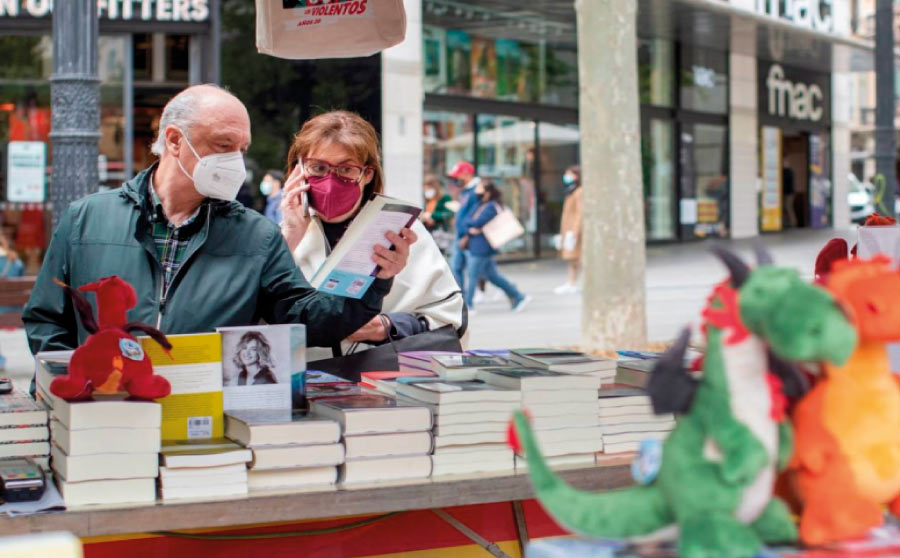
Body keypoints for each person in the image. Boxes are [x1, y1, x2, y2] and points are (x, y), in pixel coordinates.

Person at [23, 85, 416, 363]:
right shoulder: (87, 218)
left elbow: (310, 321)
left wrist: (374, 275)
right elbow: (47, 319)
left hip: (206, 415)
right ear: (175, 141)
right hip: (106, 414)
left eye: (241, 149)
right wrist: (74, 381)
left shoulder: (254, 234)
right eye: (223, 145)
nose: (235, 161)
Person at [280, 111, 465, 361]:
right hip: (305, 386)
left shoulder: (402, 232)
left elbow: (451, 319)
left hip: (385, 384)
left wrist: (387, 326)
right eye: (318, 167)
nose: (330, 180)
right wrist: (289, 237)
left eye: (346, 168)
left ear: (367, 174)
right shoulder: (278, 236)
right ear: (299, 169)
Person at [460, 179, 531, 313]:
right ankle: (518, 296)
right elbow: (466, 220)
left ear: (487, 191)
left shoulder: (491, 206)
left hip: (483, 247)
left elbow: (476, 222)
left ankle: (468, 305)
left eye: (479, 187)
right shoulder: (479, 204)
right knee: (493, 277)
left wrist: (473, 226)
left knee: (472, 275)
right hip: (476, 245)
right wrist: (472, 226)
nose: (476, 190)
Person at [447, 160, 479, 290]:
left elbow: (478, 212)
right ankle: (461, 299)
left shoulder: (477, 190)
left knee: (480, 270)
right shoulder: (465, 191)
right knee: (456, 267)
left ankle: (516, 296)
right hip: (460, 235)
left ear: (466, 174)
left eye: (457, 175)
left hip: (470, 236)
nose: (456, 179)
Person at [555, 165, 583, 294]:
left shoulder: (579, 191)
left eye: (569, 174)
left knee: (575, 257)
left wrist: (575, 230)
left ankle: (573, 283)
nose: (566, 177)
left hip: (574, 230)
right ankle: (572, 282)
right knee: (573, 258)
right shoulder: (572, 190)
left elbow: (580, 212)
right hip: (569, 229)